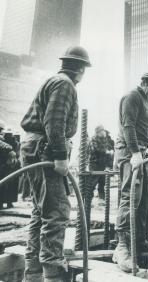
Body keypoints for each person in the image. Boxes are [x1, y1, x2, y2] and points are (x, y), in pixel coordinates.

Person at [20, 45, 91, 282]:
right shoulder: (65, 85)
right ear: (80, 69)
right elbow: (55, 121)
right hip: (44, 150)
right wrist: (60, 156)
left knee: (41, 212)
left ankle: (33, 273)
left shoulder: (55, 80)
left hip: (35, 146)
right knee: (57, 211)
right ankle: (52, 275)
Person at [113, 71, 148, 273]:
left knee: (144, 198)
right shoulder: (132, 97)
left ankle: (140, 239)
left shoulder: (145, 101)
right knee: (130, 197)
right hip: (129, 154)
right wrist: (135, 152)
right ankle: (122, 247)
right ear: (144, 82)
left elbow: (142, 130)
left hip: (140, 153)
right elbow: (128, 126)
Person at [88, 125, 115, 200]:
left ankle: (102, 199)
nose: (104, 132)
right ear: (98, 132)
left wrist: (110, 152)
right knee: (92, 184)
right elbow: (95, 149)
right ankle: (87, 200)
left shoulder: (105, 139)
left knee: (102, 183)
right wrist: (106, 152)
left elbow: (110, 149)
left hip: (103, 164)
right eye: (102, 131)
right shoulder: (93, 139)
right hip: (95, 164)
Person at [0, 125, 18, 210]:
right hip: (6, 166)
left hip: (7, 166)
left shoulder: (12, 143)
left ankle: (7, 202)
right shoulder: (6, 142)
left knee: (7, 184)